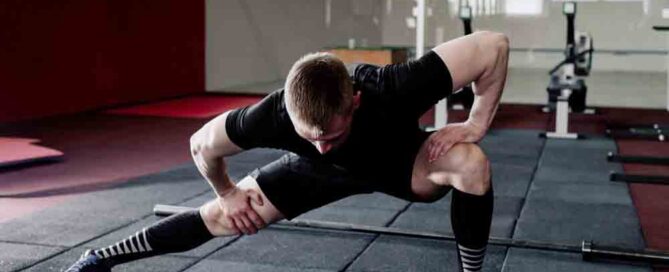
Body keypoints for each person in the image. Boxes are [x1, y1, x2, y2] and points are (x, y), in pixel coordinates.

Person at [65, 31, 509, 272]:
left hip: (401, 162)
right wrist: (225, 192)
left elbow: (493, 45)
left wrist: (475, 123)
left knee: (471, 163)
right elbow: (201, 144)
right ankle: (100, 259)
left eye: (331, 135)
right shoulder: (272, 114)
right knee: (224, 217)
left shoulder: (394, 87)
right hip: (315, 173)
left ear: (354, 101)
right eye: (309, 134)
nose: (320, 141)